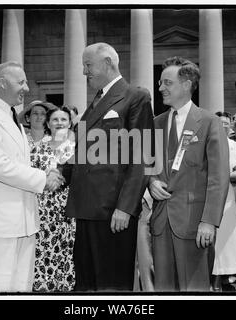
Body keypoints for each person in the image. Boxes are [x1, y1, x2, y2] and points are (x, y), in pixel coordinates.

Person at [65, 42, 153, 291]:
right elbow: (83, 153)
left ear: (108, 63)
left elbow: (142, 157)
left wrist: (125, 207)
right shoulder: (96, 102)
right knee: (87, 283)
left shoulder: (136, 97)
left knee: (111, 285)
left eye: (88, 65)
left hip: (113, 212)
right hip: (87, 209)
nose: (84, 72)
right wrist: (59, 174)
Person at [0, 61, 64, 292]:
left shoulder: (13, 119)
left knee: (21, 288)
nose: (27, 88)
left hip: (25, 221)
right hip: (0, 224)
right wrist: (43, 178)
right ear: (2, 83)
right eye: (21, 82)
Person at [148, 56, 229, 291]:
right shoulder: (155, 123)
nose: (160, 87)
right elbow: (145, 165)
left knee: (194, 289)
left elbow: (219, 177)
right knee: (164, 288)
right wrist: (151, 181)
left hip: (195, 224)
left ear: (186, 84)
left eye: (167, 83)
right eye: (160, 82)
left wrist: (209, 221)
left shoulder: (209, 121)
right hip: (161, 223)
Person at [23, 102, 76, 292]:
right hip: (40, 209)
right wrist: (47, 179)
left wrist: (59, 179)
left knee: (64, 251)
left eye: (63, 119)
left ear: (70, 123)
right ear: (49, 123)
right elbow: (29, 175)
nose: (59, 122)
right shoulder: (37, 148)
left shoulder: (76, 148)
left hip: (66, 211)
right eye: (55, 119)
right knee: (40, 252)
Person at [211, 112, 236, 291]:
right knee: (214, 236)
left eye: (226, 123)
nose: (224, 125)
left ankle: (225, 275)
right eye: (220, 122)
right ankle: (213, 276)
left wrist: (232, 174)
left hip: (229, 196)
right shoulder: (209, 142)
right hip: (211, 195)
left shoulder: (235, 147)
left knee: (227, 238)